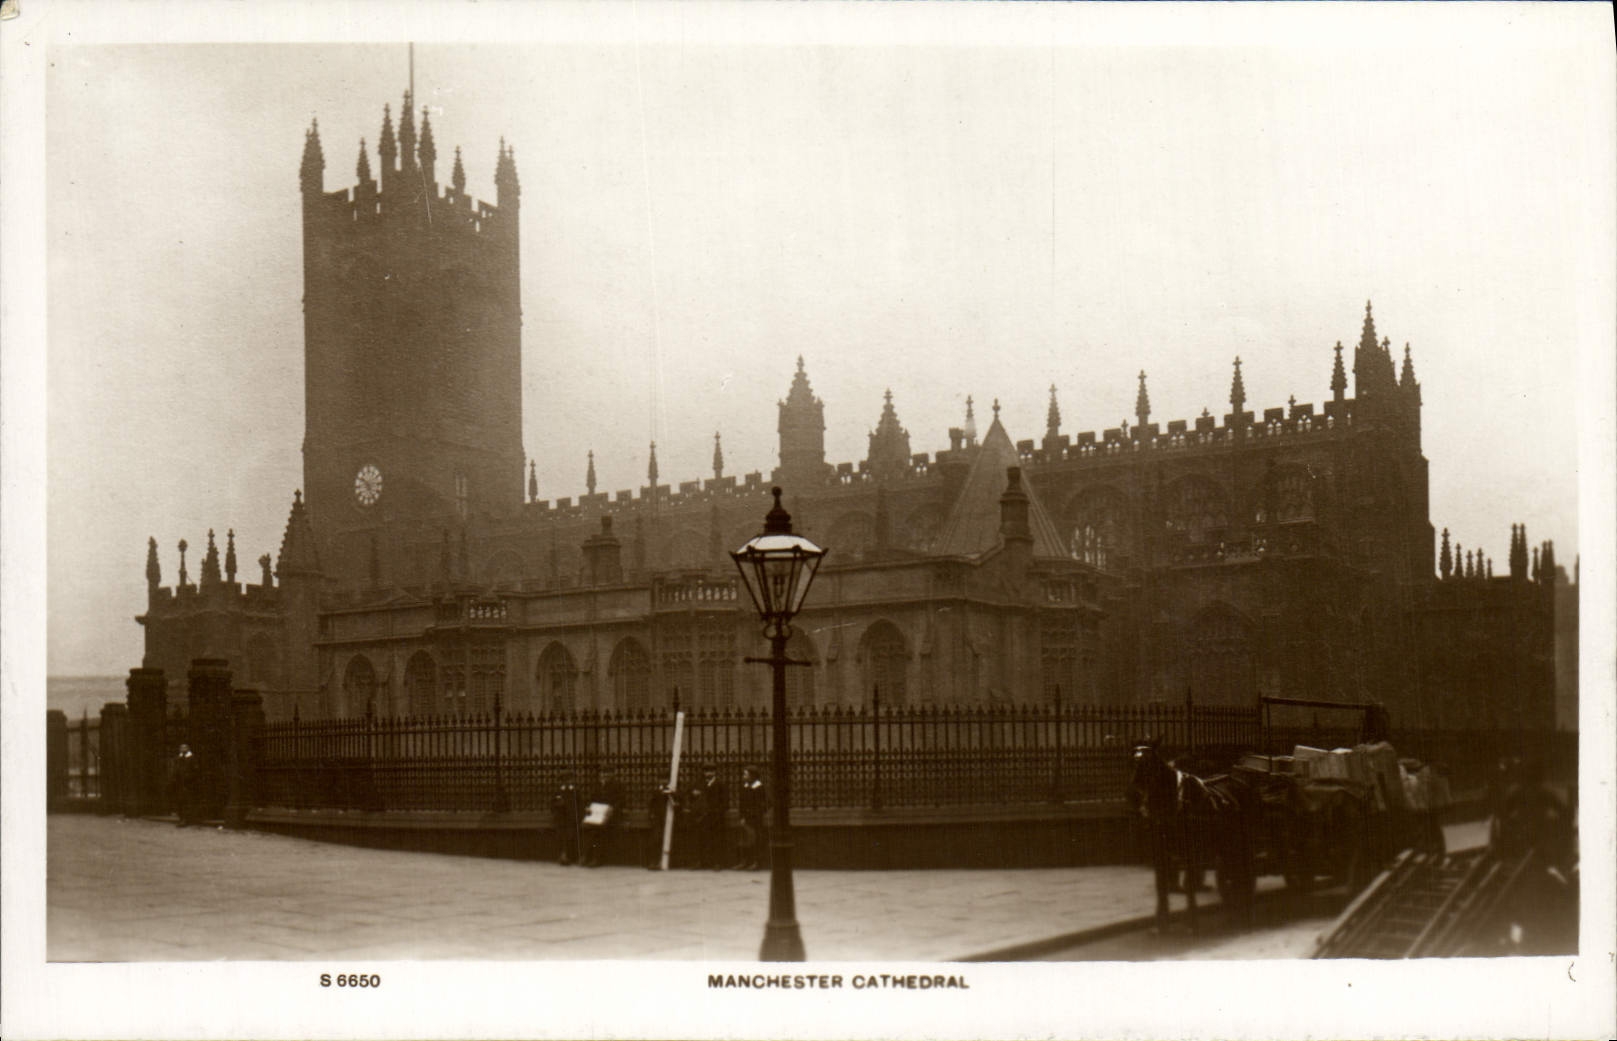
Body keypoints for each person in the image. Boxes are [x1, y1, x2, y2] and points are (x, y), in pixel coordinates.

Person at [581, 767, 627, 867]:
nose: (604, 777)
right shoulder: (597, 785)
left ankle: (597, 858)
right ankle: (586, 856)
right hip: (597, 813)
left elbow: (622, 800)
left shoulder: (618, 785)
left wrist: (612, 808)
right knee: (587, 828)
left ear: (612, 775)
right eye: (603, 774)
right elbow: (591, 798)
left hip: (610, 815)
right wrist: (588, 807)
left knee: (598, 830)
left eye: (607, 774)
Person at [693, 764, 730, 870]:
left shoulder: (720, 784)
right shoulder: (699, 783)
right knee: (702, 839)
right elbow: (690, 793)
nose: (708, 773)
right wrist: (693, 793)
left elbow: (725, 801)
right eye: (706, 771)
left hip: (716, 817)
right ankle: (701, 862)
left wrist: (718, 812)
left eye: (710, 771)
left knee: (717, 840)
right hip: (702, 816)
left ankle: (717, 863)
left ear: (715, 772)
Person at [735, 764, 769, 870]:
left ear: (752, 776)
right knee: (744, 841)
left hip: (755, 818)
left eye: (746, 774)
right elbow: (742, 804)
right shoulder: (744, 787)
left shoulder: (759, 788)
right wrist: (741, 816)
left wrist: (756, 813)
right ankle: (744, 861)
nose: (744, 776)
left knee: (755, 841)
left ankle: (756, 862)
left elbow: (765, 804)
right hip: (745, 818)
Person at [550, 770, 584, 866]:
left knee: (572, 833)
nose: (568, 782)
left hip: (573, 818)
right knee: (562, 834)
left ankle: (573, 856)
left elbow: (580, 804)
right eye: (565, 780)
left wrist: (580, 816)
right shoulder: (558, 791)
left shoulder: (575, 791)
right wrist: (558, 805)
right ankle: (563, 855)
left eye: (570, 779)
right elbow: (552, 805)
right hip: (561, 819)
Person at [644, 783, 677, 869]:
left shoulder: (671, 789)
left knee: (666, 840)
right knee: (656, 839)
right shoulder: (656, 790)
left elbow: (676, 803)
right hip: (658, 819)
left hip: (667, 819)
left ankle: (665, 862)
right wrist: (652, 815)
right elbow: (651, 803)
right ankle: (653, 862)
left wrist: (672, 793)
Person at [170, 744, 197, 827]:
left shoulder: (192, 758)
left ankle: (186, 819)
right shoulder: (178, 758)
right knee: (180, 801)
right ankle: (181, 818)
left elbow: (195, 770)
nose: (182, 749)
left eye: (184, 747)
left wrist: (189, 778)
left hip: (188, 783)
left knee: (187, 801)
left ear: (188, 748)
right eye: (181, 747)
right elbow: (175, 769)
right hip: (179, 783)